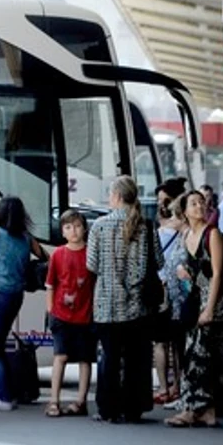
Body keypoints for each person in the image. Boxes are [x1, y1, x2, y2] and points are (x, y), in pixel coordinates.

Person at [88, 176, 163, 424]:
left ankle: (108, 409)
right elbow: (159, 262)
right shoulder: (146, 226)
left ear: (118, 196)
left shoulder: (99, 226)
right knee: (136, 358)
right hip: (138, 305)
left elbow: (92, 264)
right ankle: (133, 408)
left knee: (109, 357)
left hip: (107, 304)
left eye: (111, 194)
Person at [166, 190, 223, 429]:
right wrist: (185, 272)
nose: (199, 206)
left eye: (201, 202)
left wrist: (210, 308)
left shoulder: (212, 234)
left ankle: (192, 409)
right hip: (195, 298)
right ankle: (206, 411)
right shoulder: (187, 235)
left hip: (213, 300)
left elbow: (218, 274)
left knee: (199, 354)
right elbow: (190, 269)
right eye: (193, 203)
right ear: (184, 211)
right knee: (195, 353)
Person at [0, 196, 43, 412]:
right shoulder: (27, 237)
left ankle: (3, 397)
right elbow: (45, 256)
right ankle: (4, 393)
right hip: (16, 295)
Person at [44, 210, 94, 418]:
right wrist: (50, 309)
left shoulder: (91, 253)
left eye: (78, 226)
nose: (73, 231)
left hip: (86, 314)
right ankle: (53, 400)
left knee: (85, 358)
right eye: (68, 227)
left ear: (85, 229)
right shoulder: (57, 254)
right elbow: (50, 284)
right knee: (60, 356)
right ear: (62, 231)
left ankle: (81, 401)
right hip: (61, 314)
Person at [153, 177, 187, 408]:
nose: (160, 204)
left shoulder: (162, 230)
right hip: (181, 292)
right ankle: (178, 386)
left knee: (161, 342)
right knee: (177, 342)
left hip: (163, 290)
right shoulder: (188, 229)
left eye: (164, 200)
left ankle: (164, 388)